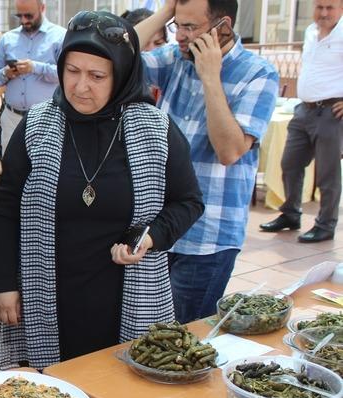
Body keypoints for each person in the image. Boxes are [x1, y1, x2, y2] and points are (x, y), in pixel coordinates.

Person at [0, 11, 203, 367]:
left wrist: (151, 237)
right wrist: (4, 284)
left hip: (127, 296)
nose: (80, 86)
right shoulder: (38, 126)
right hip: (48, 295)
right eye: (72, 71)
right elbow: (5, 210)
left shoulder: (155, 129)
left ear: (121, 76)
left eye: (97, 76)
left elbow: (188, 201)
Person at [135, 0, 278, 323]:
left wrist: (210, 77)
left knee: (182, 341)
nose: (180, 36)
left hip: (208, 237)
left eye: (190, 27)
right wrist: (164, 13)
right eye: (177, 25)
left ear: (223, 27)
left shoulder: (258, 72)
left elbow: (229, 150)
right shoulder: (175, 58)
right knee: (142, 331)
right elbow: (115, 53)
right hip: (160, 225)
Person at [260, 0, 343, 243]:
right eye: (319, 7)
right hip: (304, 109)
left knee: (328, 173)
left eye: (330, 7)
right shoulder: (310, 32)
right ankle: (290, 213)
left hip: (331, 112)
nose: (324, 13)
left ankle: (326, 225)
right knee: (289, 164)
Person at [0, 0, 66, 159]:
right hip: (12, 118)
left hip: (47, 119)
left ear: (42, 8)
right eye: (20, 15)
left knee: (44, 170)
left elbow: (65, 75)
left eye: (29, 15)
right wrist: (6, 73)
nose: (24, 20)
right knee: (10, 172)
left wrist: (35, 67)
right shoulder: (8, 39)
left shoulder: (60, 36)